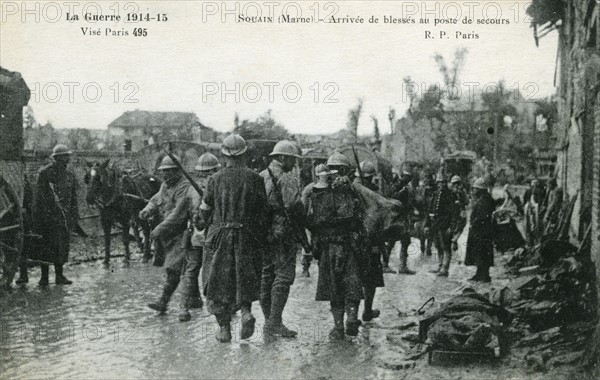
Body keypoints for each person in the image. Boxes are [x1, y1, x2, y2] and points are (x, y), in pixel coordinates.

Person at [200, 134, 268, 343]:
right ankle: (246, 312)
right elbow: (263, 213)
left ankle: (224, 329)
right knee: (245, 276)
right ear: (244, 153)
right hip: (247, 235)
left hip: (220, 236)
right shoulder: (255, 179)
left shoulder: (214, 179)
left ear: (224, 154)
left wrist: (204, 222)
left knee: (217, 281)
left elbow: (204, 211)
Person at [303, 163, 364, 340]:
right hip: (348, 244)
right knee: (352, 283)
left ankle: (338, 327)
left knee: (333, 286)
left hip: (327, 246)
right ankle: (352, 317)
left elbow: (307, 219)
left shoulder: (312, 192)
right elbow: (361, 217)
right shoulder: (352, 190)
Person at [259, 140, 306, 338]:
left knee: (266, 275)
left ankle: (270, 321)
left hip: (263, 232)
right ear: (284, 158)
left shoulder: (260, 176)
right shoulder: (287, 178)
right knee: (284, 277)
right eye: (293, 159)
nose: (294, 163)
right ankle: (273, 323)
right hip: (283, 230)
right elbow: (292, 205)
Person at [140, 155, 195, 315]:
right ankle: (195, 300)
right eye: (163, 171)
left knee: (174, 269)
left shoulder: (184, 187)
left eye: (169, 171)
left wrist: (159, 228)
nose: (165, 175)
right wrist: (147, 209)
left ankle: (164, 302)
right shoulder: (165, 185)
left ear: (177, 171)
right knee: (180, 270)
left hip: (182, 233)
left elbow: (178, 213)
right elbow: (157, 199)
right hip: (168, 235)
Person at [178, 153, 220, 322]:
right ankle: (222, 308)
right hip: (212, 234)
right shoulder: (217, 185)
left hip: (196, 233)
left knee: (191, 270)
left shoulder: (190, 189)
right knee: (216, 270)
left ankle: (184, 308)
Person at [29, 144, 79, 286]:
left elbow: (73, 196)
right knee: (45, 247)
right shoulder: (45, 173)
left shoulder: (69, 175)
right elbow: (39, 197)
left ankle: (59, 276)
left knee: (61, 247)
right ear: (57, 158)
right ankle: (44, 277)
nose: (67, 159)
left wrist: (73, 215)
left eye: (68, 156)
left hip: (64, 218)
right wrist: (45, 215)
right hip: (48, 219)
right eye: (65, 156)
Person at [353, 161, 385, 321]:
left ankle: (366, 311)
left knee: (369, 280)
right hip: (361, 241)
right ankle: (356, 314)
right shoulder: (354, 190)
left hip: (368, 241)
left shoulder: (372, 191)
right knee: (359, 279)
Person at [464, 178, 496, 283]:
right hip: (481, 231)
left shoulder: (485, 200)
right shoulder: (483, 198)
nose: (473, 191)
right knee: (480, 253)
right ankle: (479, 274)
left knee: (482, 253)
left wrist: (474, 224)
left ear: (479, 189)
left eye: (475, 189)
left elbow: (483, 217)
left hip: (482, 232)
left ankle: (484, 276)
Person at [389, 170, 417, 274]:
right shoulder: (396, 186)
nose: (407, 179)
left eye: (409, 177)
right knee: (391, 241)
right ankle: (384, 264)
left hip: (405, 217)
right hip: (395, 217)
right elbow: (391, 197)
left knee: (405, 241)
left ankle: (403, 266)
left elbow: (411, 200)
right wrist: (401, 193)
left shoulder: (408, 188)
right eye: (406, 177)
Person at [427, 175, 455, 277]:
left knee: (446, 247)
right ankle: (440, 265)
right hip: (436, 224)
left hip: (445, 225)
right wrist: (427, 224)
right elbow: (430, 209)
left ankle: (445, 268)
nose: (441, 185)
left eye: (443, 182)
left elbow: (453, 214)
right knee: (438, 245)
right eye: (439, 182)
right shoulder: (436, 193)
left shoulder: (450, 195)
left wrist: (451, 227)